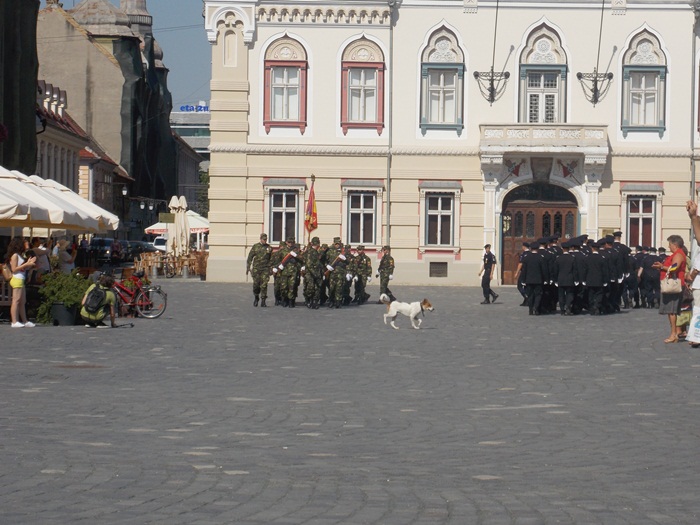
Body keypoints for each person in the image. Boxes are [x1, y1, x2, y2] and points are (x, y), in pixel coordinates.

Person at [652, 235, 687, 343]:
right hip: (671, 285)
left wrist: (661, 267)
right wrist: (662, 266)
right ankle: (674, 333)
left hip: (674, 286)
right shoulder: (676, 254)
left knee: (672, 311)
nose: (669, 246)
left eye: (670, 244)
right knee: (670, 311)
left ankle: (673, 334)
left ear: (675, 245)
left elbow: (674, 268)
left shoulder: (678, 254)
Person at [5, 238, 37, 328]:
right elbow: (14, 269)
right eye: (25, 243)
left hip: (21, 279)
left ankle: (25, 321)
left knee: (22, 301)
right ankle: (14, 321)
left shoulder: (20, 255)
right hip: (17, 279)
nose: (27, 245)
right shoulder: (15, 255)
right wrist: (27, 264)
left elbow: (21, 268)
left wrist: (29, 264)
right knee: (16, 300)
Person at [246, 233, 272, 307]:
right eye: (263, 239)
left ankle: (263, 300)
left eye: (266, 239)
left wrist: (271, 267)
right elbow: (250, 257)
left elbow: (271, 259)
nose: (265, 240)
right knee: (256, 285)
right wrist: (248, 266)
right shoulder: (255, 246)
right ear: (260, 239)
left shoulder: (269, 247)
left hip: (265, 269)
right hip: (256, 269)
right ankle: (256, 296)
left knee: (264, 285)